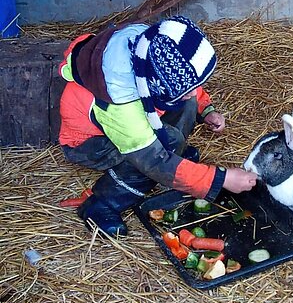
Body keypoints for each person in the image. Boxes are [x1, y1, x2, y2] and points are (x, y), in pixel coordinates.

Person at [58, 16, 257, 237]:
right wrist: (220, 178)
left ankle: (178, 158)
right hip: (90, 144)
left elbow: (185, 82)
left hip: (133, 114)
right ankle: (101, 204)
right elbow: (153, 160)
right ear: (155, 84)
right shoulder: (117, 99)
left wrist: (205, 108)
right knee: (166, 146)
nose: (194, 90)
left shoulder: (149, 44)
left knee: (186, 101)